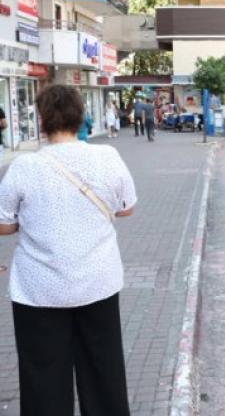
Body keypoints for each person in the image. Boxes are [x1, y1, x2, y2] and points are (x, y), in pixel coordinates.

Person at [0, 85, 136, 415]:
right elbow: (127, 207)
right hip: (97, 283)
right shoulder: (107, 157)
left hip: (39, 290)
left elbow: (3, 223)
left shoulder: (24, 167)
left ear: (42, 120)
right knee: (104, 368)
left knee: (43, 374)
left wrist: (25, 222)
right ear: (81, 117)